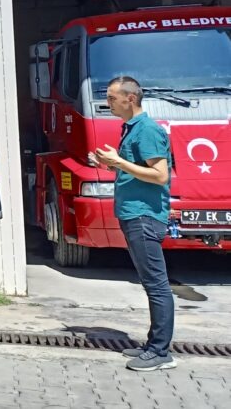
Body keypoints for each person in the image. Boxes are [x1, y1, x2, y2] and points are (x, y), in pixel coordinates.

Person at [91, 76, 176, 372]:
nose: (108, 103)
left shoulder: (148, 131)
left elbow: (161, 175)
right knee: (151, 283)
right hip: (134, 213)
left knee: (156, 285)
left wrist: (118, 163)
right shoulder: (133, 129)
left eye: (112, 98)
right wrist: (109, 163)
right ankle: (154, 344)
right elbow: (137, 170)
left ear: (130, 98)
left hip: (144, 215)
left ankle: (160, 352)